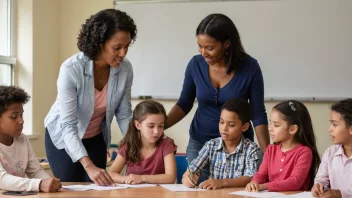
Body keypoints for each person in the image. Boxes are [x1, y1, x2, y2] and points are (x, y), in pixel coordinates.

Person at [166, 13, 269, 182]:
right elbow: (184, 103)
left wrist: (267, 154)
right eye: (200, 46)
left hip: (238, 148)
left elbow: (257, 113)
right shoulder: (195, 64)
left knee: (235, 190)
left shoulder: (250, 67)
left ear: (227, 44)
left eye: (210, 48)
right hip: (200, 144)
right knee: (198, 190)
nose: (203, 52)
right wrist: (160, 126)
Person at [44, 9, 137, 185]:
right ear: (100, 43)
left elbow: (124, 114)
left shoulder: (125, 69)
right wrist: (88, 165)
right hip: (64, 136)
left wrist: (135, 145)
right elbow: (68, 125)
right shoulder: (71, 69)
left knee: (98, 188)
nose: (123, 53)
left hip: (96, 136)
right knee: (71, 187)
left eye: (127, 46)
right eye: (117, 47)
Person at [182, 98, 261, 189]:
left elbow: (250, 178)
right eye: (221, 122)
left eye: (231, 125)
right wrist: (188, 175)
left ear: (244, 127)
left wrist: (222, 182)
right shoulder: (211, 146)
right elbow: (194, 168)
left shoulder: (251, 149)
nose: (224, 128)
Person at [245, 100, 320, 192]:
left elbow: (294, 182)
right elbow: (261, 175)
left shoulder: (304, 152)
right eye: (270, 123)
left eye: (276, 125)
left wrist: (264, 186)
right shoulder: (271, 149)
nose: (270, 128)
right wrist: (254, 183)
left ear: (292, 129)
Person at [0, 86, 61, 192]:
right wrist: (39, 184)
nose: (21, 121)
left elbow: (35, 171)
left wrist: (49, 182)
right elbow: (2, 180)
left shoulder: (22, 139)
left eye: (21, 115)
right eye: (14, 117)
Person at [109, 100, 177, 184]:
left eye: (161, 126)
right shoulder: (128, 145)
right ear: (138, 125)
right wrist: (126, 179)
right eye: (151, 126)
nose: (156, 131)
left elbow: (170, 177)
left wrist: (142, 178)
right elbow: (111, 174)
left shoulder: (166, 145)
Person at [312, 99, 352, 198]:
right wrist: (319, 185)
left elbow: (340, 193)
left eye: (334, 124)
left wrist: (340, 193)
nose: (330, 129)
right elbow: (321, 178)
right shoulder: (330, 152)